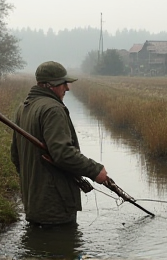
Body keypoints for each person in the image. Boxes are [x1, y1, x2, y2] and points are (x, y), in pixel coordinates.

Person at [11, 61, 107, 226]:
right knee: (64, 250)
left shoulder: (24, 108)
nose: (67, 88)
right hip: (55, 205)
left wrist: (32, 185)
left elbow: (15, 155)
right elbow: (63, 153)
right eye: (64, 84)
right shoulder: (53, 109)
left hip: (33, 203)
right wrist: (95, 170)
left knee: (38, 248)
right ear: (50, 85)